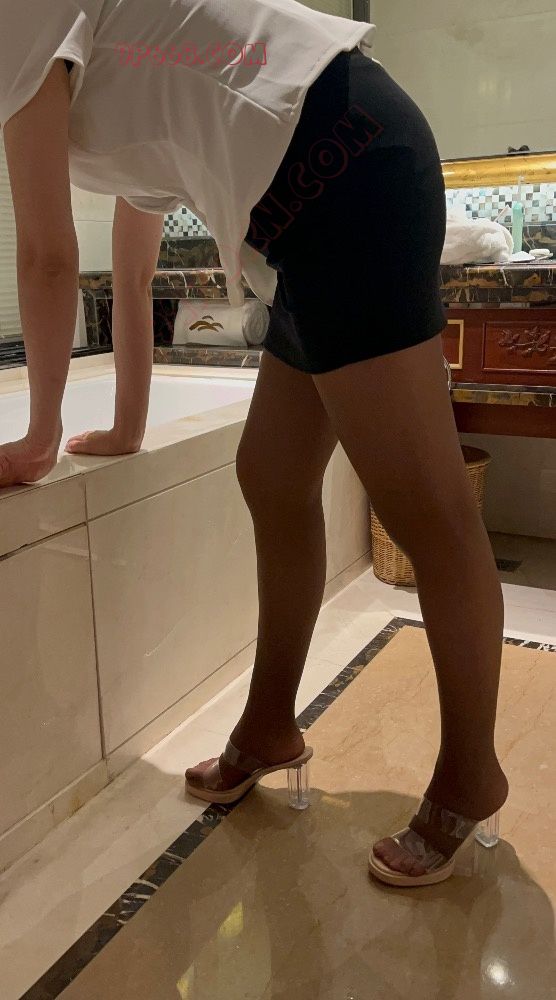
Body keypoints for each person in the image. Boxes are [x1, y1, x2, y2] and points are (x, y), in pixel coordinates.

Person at [0, 0, 508, 887]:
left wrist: (41, 434)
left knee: (426, 507)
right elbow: (133, 264)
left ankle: (472, 772)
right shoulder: (103, 56)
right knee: (271, 474)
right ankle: (269, 725)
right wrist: (125, 424)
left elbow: (47, 255)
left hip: (343, 168)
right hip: (316, 199)